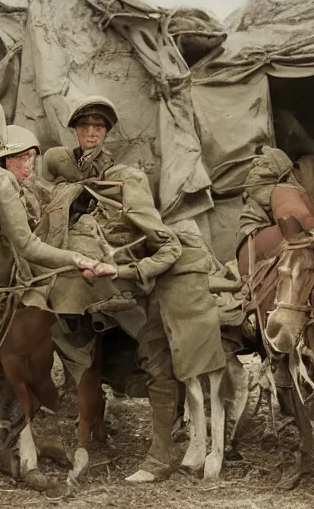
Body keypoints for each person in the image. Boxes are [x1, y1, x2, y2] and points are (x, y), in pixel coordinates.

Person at [46, 95, 226, 482]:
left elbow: (167, 244)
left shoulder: (126, 178)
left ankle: (162, 454)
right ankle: (80, 439)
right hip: (71, 292)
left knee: (157, 360)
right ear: (75, 132)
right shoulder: (62, 182)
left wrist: (126, 270)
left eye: (98, 128)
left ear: (106, 134)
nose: (91, 133)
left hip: (121, 290)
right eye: (84, 127)